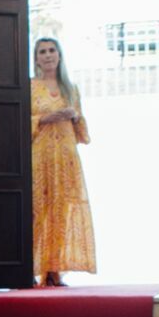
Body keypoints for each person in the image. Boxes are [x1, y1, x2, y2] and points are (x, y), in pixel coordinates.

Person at [30, 36, 93, 283]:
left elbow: (83, 134)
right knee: (38, 211)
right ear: (36, 58)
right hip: (41, 155)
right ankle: (31, 267)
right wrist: (48, 117)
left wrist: (74, 116)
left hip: (66, 157)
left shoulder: (70, 88)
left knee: (61, 211)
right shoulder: (31, 87)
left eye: (52, 50)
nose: (48, 55)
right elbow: (24, 121)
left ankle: (53, 270)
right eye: (42, 51)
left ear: (59, 55)